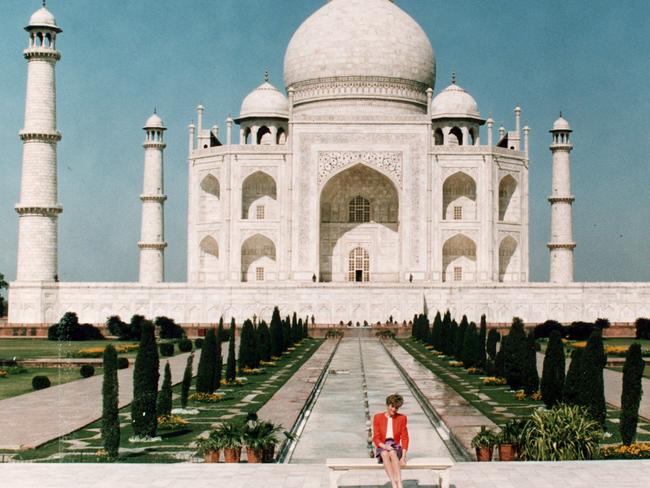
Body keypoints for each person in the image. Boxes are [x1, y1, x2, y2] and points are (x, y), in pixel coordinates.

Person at [372, 393, 409, 488]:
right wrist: (384, 446)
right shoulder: (378, 417)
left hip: (395, 447)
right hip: (382, 446)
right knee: (384, 453)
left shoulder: (402, 418)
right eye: (392, 406)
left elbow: (405, 438)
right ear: (387, 405)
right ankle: (393, 483)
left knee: (392, 452)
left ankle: (399, 483)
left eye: (397, 407)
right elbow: (375, 437)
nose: (394, 409)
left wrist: (403, 457)